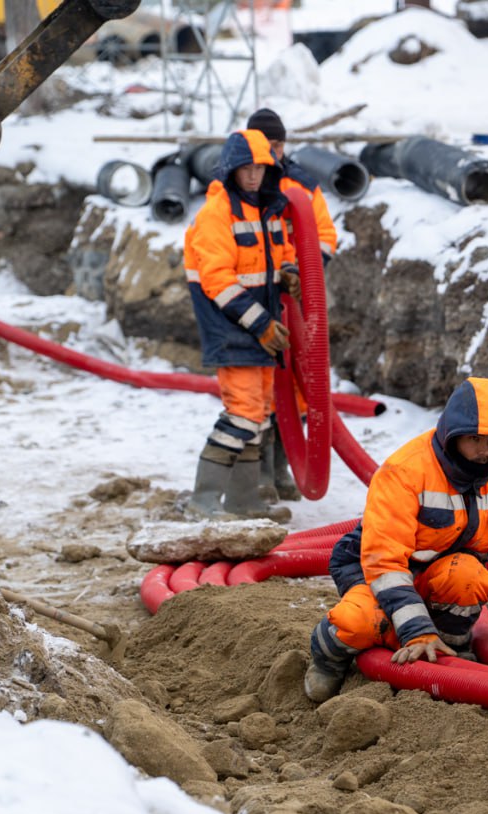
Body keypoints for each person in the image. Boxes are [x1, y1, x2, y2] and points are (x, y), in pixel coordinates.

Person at [304, 377, 488, 703]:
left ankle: (449, 650)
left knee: (470, 577)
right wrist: (416, 631)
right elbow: (384, 561)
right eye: (475, 438)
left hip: (444, 571)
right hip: (376, 571)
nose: (486, 450)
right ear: (453, 434)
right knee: (359, 622)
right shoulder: (406, 470)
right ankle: (328, 658)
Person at [182, 128, 300, 521]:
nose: (253, 176)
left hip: (257, 326)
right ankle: (203, 502)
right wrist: (262, 324)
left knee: (260, 412)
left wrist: (288, 271)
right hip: (232, 326)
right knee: (243, 412)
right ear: (231, 169)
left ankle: (244, 502)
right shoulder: (217, 213)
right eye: (246, 169)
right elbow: (218, 279)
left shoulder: (267, 209)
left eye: (260, 168)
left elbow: (281, 249)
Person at [245, 107, 340, 502]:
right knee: (260, 387)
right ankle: (262, 475)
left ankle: (285, 468)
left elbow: (324, 236)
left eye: (278, 143)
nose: (273, 151)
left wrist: (303, 274)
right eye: (265, 144)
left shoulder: (300, 185)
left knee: (299, 385)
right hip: (253, 297)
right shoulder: (238, 184)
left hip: (296, 299)